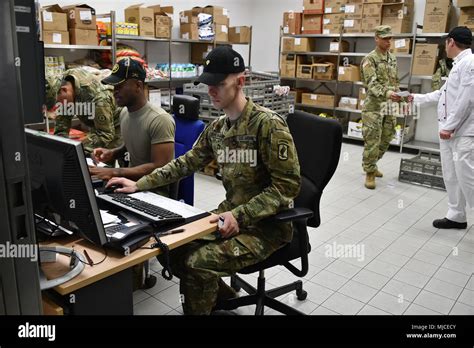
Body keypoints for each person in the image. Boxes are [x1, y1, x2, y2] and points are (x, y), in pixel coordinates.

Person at [106, 46, 301, 315]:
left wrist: (240, 216)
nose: (211, 91)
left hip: (265, 227)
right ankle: (221, 298)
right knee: (170, 247)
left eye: (218, 84)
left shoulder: (268, 125)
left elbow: (287, 187)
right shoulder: (218, 128)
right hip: (228, 215)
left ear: (240, 81)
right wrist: (140, 184)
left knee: (198, 263)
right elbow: (184, 163)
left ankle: (207, 301)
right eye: (207, 84)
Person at [411, 27, 473, 230]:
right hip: (450, 132)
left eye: (446, 42)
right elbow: (443, 95)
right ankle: (456, 215)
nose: (445, 46)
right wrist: (413, 98)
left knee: (467, 177)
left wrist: (450, 126)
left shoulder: (470, 64)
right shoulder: (458, 64)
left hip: (462, 132)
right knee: (451, 174)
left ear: (451, 42)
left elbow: (467, 99)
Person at [89, 57, 175, 198]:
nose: (114, 91)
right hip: (128, 183)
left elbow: (161, 168)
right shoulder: (125, 113)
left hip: (153, 191)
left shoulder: (160, 119)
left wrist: (115, 172)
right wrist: (113, 153)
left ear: (138, 86)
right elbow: (135, 144)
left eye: (120, 86)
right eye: (114, 87)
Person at [360, 25, 402, 189]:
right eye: (384, 38)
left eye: (390, 38)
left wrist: (400, 95)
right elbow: (372, 83)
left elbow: (394, 80)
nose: (388, 41)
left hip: (389, 106)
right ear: (376, 38)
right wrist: (387, 93)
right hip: (374, 107)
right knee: (372, 140)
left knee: (387, 136)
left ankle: (373, 164)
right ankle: (370, 172)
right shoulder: (369, 59)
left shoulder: (392, 58)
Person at [45, 67, 122, 154]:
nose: (58, 106)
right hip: (96, 122)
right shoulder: (63, 84)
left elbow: (105, 134)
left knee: (106, 157)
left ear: (64, 90)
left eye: (58, 102)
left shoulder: (98, 98)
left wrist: (77, 149)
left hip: (116, 123)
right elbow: (61, 129)